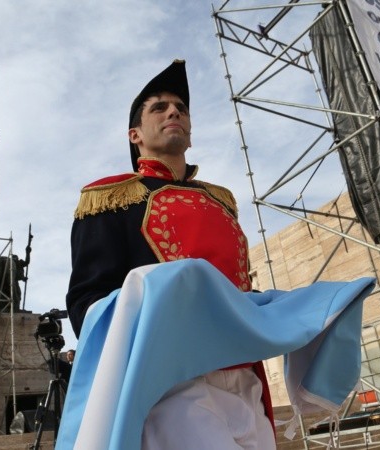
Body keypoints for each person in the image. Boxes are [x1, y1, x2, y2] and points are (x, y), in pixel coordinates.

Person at [66, 60, 275, 449]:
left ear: (191, 134)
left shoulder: (221, 199)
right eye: (158, 108)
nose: (174, 111)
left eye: (180, 107)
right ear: (135, 135)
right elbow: (88, 300)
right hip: (173, 382)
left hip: (245, 375)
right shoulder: (107, 197)